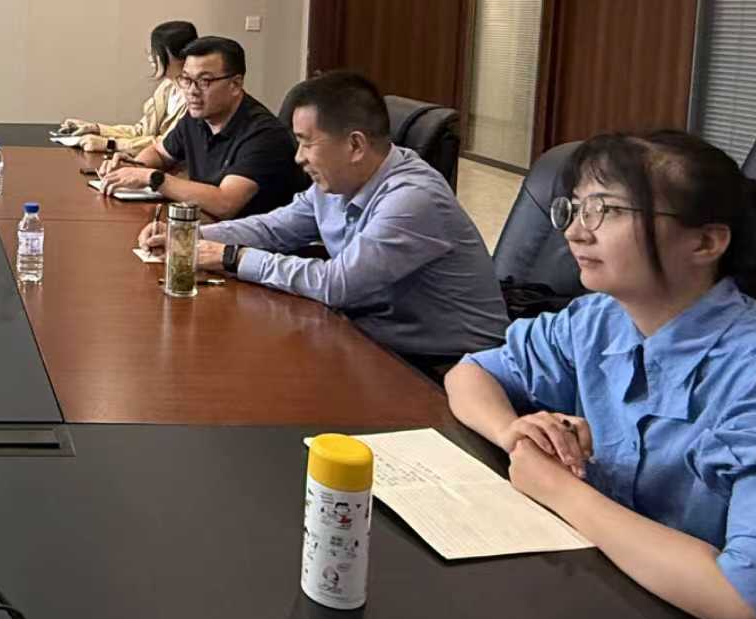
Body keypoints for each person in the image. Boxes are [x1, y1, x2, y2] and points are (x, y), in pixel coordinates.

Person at [446, 131, 756, 619]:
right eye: (577, 208)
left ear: (705, 243)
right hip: (614, 606)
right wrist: (515, 432)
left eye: (608, 211)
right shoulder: (599, 318)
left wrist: (561, 489)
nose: (575, 231)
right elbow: (469, 374)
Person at [144, 70, 507, 367]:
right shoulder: (336, 182)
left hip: (448, 366)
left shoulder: (412, 198)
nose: (298, 157)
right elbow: (274, 228)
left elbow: (337, 284)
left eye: (307, 142)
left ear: (355, 146)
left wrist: (231, 257)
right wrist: (190, 233)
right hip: (375, 335)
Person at [96, 36, 304, 220]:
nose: (192, 91)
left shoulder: (264, 134)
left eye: (204, 81)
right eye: (186, 79)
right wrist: (133, 169)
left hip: (250, 245)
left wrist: (152, 178)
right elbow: (159, 153)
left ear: (235, 84)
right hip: (204, 229)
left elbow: (225, 203)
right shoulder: (196, 117)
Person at [57, 19, 196, 155]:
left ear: (180, 55)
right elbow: (141, 131)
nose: (151, 57)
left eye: (157, 51)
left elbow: (167, 145)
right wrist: (96, 129)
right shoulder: (166, 88)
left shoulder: (195, 98)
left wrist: (109, 144)